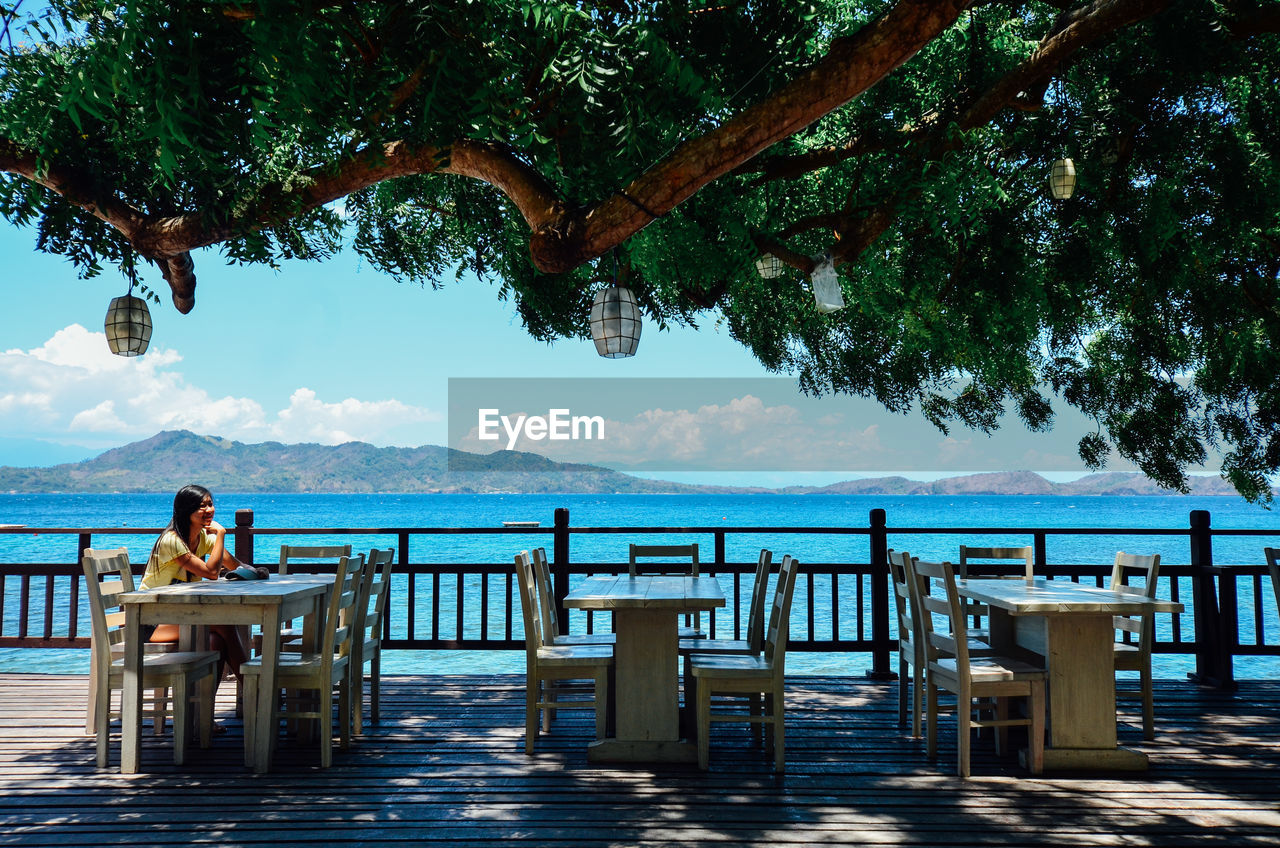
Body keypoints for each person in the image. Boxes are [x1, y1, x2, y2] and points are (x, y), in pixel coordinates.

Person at [141, 485, 249, 692]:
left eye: (210, 504)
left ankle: (203, 714)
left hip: (178, 618)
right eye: (201, 506)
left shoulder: (202, 538)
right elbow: (211, 572)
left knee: (216, 641)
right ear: (186, 510)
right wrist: (221, 535)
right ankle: (254, 687)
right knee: (224, 624)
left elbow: (234, 565)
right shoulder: (171, 541)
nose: (209, 510)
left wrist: (256, 571)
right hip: (150, 623)